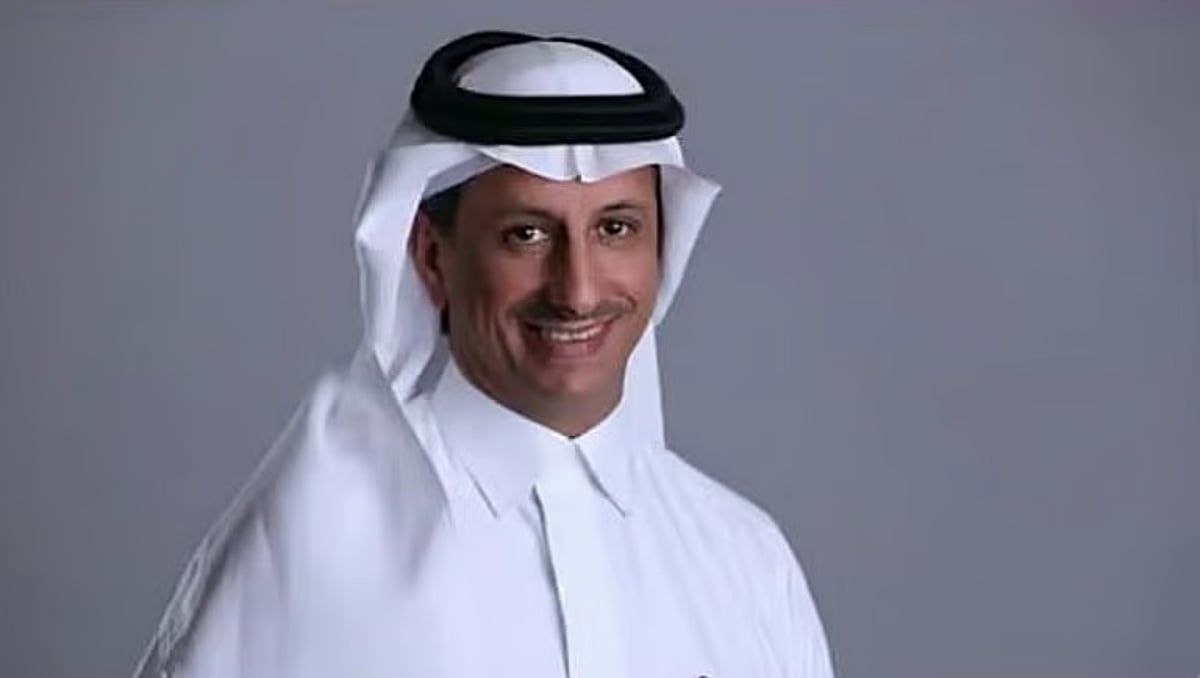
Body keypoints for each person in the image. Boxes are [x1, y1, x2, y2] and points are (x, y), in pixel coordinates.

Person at [134, 31, 835, 678]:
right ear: (430, 256)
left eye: (616, 229)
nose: (578, 291)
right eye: (527, 235)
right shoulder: (313, 545)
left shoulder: (746, 557)